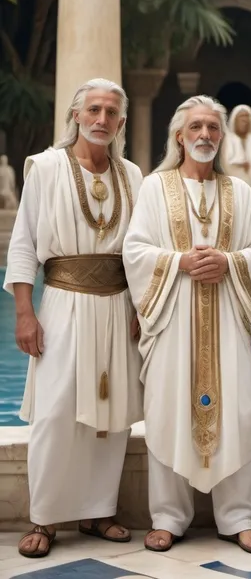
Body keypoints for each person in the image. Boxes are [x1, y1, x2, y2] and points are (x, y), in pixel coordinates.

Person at [123, 95, 251, 554]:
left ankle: (239, 516)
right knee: (168, 410)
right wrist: (179, 261)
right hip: (173, 322)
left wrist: (228, 262)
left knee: (239, 412)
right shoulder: (154, 187)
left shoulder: (240, 192)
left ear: (221, 137)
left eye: (213, 127)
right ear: (179, 137)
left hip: (227, 320)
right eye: (196, 128)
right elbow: (135, 250)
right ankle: (167, 516)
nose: (205, 135)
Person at [4, 78, 144, 559]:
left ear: (121, 123)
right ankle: (43, 518)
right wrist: (25, 312)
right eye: (94, 110)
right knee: (56, 412)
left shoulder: (134, 175)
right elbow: (23, 243)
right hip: (62, 301)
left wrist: (141, 309)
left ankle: (98, 510)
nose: (102, 119)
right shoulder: (44, 168)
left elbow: (141, 252)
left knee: (111, 414)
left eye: (111, 113)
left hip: (118, 304)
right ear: (76, 115)